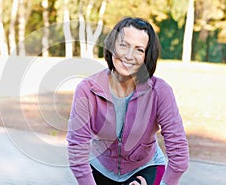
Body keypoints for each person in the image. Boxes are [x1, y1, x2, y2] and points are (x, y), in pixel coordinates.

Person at [67, 17, 189, 185]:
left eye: (139, 49)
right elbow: (77, 147)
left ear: (147, 56)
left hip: (146, 167)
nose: (129, 55)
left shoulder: (160, 91)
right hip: (101, 168)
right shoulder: (87, 90)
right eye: (123, 45)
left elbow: (179, 152)